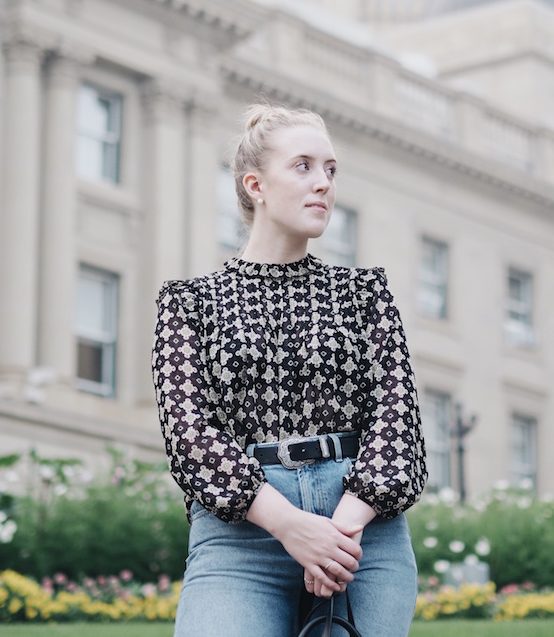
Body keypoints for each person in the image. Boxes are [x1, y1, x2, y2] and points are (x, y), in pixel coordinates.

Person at [152, 103, 427, 637]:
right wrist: (292, 526)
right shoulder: (189, 302)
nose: (323, 182)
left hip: (362, 536)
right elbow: (190, 437)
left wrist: (338, 532)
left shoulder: (364, 293)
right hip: (242, 539)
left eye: (330, 169)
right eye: (303, 166)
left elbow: (399, 421)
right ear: (254, 185)